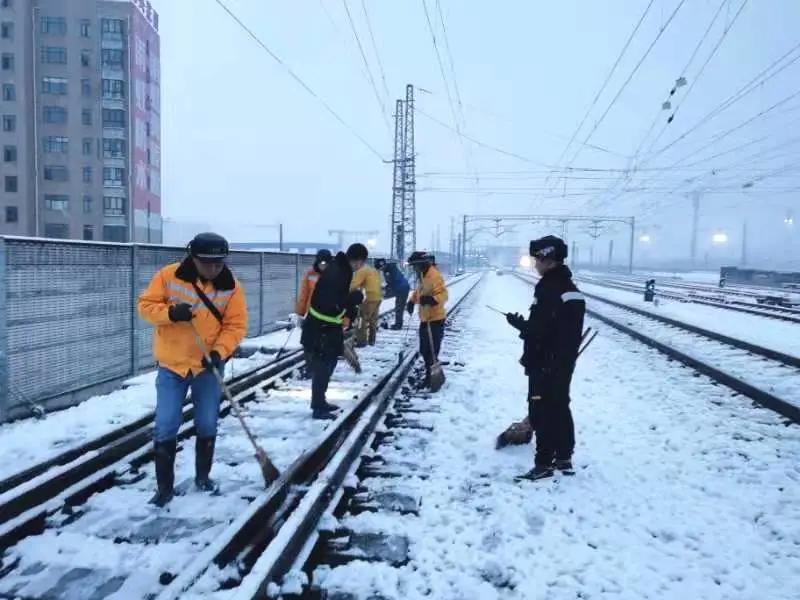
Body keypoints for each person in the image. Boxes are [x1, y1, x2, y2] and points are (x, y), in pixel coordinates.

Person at [138, 232, 248, 506]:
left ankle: (203, 477)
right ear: (193, 258)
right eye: (208, 262)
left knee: (207, 422)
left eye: (219, 263)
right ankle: (164, 490)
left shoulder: (231, 286)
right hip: (172, 365)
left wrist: (218, 352)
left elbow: (235, 326)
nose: (214, 268)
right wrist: (171, 313)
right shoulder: (168, 276)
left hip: (207, 367)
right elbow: (145, 306)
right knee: (166, 424)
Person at [506, 235, 585, 481]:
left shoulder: (549, 288)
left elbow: (540, 331)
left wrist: (520, 325)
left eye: (536, 259)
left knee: (541, 409)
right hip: (563, 361)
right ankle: (563, 457)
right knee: (560, 406)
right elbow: (556, 328)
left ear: (547, 259)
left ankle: (543, 464)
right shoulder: (570, 288)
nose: (535, 264)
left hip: (545, 362)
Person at [301, 244, 364, 419]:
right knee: (323, 366)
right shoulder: (338, 272)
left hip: (327, 327)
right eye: (362, 264)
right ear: (358, 261)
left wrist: (349, 308)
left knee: (329, 364)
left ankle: (321, 401)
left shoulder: (341, 269)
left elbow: (336, 301)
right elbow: (331, 303)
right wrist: (351, 300)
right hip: (321, 328)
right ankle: (318, 407)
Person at [406, 251, 449, 388]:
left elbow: (443, 294)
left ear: (421, 264)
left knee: (431, 351)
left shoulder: (434, 275)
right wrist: (412, 301)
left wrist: (433, 299)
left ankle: (432, 379)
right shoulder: (423, 275)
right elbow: (420, 291)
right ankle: (430, 376)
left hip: (435, 320)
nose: (413, 269)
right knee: (425, 350)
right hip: (425, 319)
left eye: (414, 266)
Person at [349, 244, 383, 347]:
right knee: (373, 320)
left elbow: (354, 285)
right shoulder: (373, 270)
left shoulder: (362, 270)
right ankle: (372, 340)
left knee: (361, 319)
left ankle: (361, 341)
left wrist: (347, 292)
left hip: (368, 297)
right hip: (378, 297)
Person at [295, 249, 332, 319]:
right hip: (311, 314)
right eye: (321, 263)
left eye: (325, 263)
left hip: (328, 316)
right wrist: (300, 312)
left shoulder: (334, 276)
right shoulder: (310, 274)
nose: (323, 265)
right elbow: (304, 294)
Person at [375, 258, 410, 330]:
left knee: (399, 307)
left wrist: (386, 290)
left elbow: (394, 281)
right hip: (401, 288)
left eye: (380, 268)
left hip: (402, 288)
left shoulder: (390, 270)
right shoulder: (388, 269)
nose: (380, 270)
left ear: (382, 265)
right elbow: (391, 282)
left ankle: (398, 325)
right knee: (399, 306)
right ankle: (398, 323)